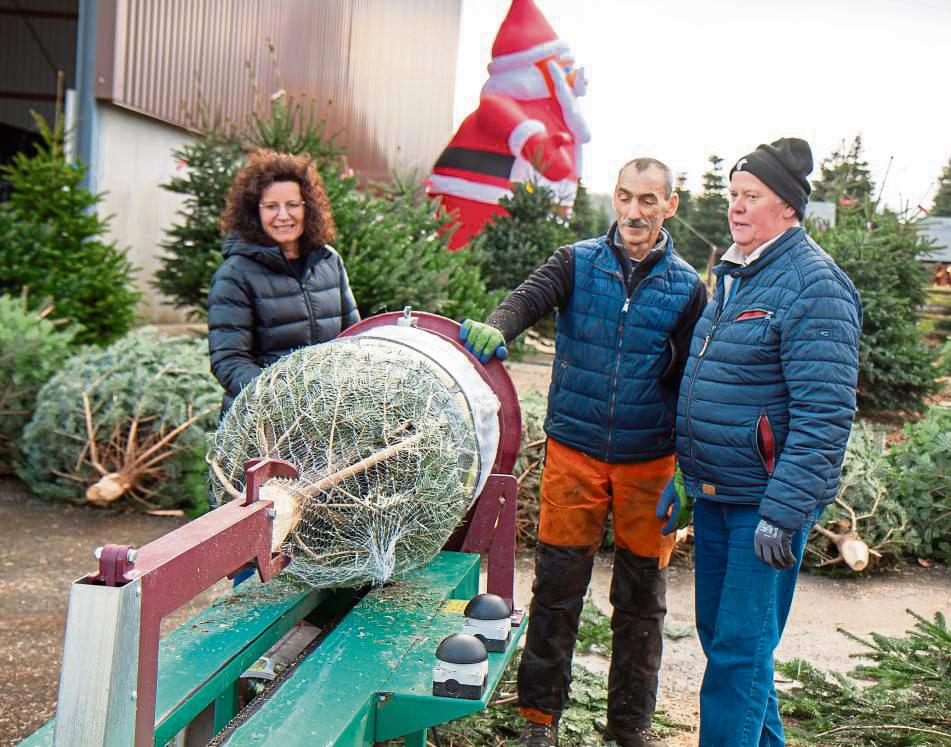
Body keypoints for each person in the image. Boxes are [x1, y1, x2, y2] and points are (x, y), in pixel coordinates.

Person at [460, 158, 706, 747]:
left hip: (652, 462)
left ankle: (628, 727)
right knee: (556, 590)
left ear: (670, 206)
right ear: (613, 200)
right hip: (574, 454)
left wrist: (689, 474)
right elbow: (528, 298)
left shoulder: (688, 288)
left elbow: (694, 383)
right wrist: (500, 325)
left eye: (649, 200)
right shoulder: (576, 261)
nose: (635, 211)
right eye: (625, 197)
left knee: (642, 601)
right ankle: (539, 721)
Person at [658, 138, 862, 746]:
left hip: (764, 507)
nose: (736, 208)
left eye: (752, 197)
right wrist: (684, 483)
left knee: (738, 657)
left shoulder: (814, 285)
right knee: (730, 646)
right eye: (733, 196)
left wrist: (784, 510)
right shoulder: (738, 275)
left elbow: (825, 416)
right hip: (719, 496)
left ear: (789, 209)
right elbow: (711, 388)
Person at [208, 150, 359, 413]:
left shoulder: (328, 261)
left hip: (327, 415)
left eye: (292, 204)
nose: (283, 215)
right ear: (255, 212)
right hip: (262, 419)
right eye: (271, 206)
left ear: (307, 207)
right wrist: (282, 399)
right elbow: (229, 361)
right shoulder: (235, 273)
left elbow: (353, 339)